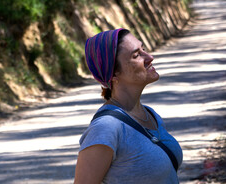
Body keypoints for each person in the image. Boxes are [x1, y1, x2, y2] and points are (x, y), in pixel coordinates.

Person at [74, 28, 183, 184]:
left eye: (143, 49)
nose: (150, 57)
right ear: (114, 74)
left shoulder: (150, 115)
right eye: (136, 55)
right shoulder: (105, 128)